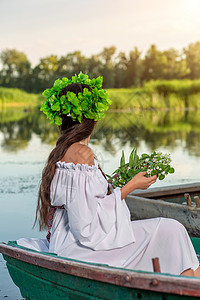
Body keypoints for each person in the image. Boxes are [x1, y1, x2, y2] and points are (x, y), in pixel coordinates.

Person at [17, 72, 200, 277]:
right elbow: (85, 225)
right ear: (92, 119)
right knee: (171, 229)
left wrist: (111, 186)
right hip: (80, 249)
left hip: (72, 241)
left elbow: (84, 204)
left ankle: (188, 283)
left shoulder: (65, 150)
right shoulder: (82, 154)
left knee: (171, 231)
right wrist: (131, 186)